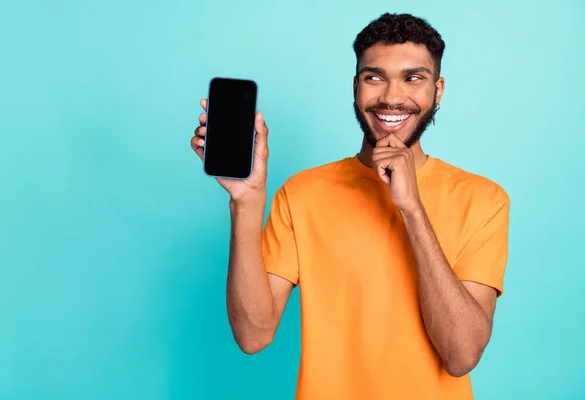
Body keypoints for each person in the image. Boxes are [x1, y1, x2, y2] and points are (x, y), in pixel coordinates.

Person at [190, 12, 510, 400]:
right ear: (355, 86)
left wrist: (411, 207)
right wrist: (246, 201)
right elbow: (253, 336)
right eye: (374, 77)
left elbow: (461, 355)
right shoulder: (302, 193)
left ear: (437, 90)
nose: (392, 97)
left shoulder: (484, 199)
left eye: (413, 78)